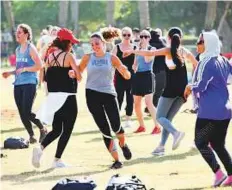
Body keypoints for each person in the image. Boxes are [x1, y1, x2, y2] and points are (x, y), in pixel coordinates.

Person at [125, 27, 197, 155]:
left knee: (159, 117)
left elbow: (150, 53)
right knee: (167, 119)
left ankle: (176, 133)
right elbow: (196, 64)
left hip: (171, 89)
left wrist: (134, 51)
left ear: (168, 38)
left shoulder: (168, 50)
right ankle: (161, 147)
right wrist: (192, 84)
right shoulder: (184, 51)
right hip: (183, 91)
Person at [77, 32, 132, 169]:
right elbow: (79, 73)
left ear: (103, 43)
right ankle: (117, 160)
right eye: (92, 44)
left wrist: (125, 71)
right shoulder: (87, 58)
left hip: (109, 94)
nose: (94, 46)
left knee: (116, 126)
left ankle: (123, 144)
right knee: (104, 129)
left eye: (97, 43)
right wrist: (73, 73)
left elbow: (127, 76)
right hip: (92, 95)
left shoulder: (111, 58)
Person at [184, 31, 232, 187]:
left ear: (208, 44)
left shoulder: (206, 62)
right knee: (218, 145)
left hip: (210, 113)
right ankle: (231, 175)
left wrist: (189, 86)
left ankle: (218, 174)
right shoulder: (223, 60)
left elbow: (200, 86)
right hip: (225, 112)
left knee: (200, 142)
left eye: (200, 41)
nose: (197, 44)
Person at [32, 28, 81, 168]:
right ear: (66, 42)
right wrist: (73, 73)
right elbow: (79, 77)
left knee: (57, 129)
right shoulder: (69, 56)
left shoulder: (50, 57)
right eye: (71, 42)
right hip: (68, 97)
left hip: (54, 98)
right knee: (67, 129)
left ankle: (40, 148)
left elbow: (46, 76)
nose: (72, 45)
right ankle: (57, 160)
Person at [2, 24, 47, 144]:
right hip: (18, 84)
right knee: (22, 112)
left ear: (26, 35)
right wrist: (10, 73)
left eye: (20, 32)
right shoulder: (17, 50)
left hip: (30, 83)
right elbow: (19, 69)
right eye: (17, 32)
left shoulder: (30, 48)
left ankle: (42, 129)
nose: (17, 34)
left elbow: (39, 66)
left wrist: (26, 69)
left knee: (27, 111)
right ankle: (31, 135)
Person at [130, 29, 161, 134]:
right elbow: (134, 64)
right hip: (138, 76)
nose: (143, 38)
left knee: (149, 103)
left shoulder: (152, 49)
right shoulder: (137, 50)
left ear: (149, 38)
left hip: (148, 76)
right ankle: (141, 126)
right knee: (137, 104)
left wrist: (140, 50)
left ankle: (157, 126)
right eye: (141, 36)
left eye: (146, 36)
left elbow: (148, 60)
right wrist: (134, 67)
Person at [112, 27, 135, 128]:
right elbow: (112, 61)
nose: (126, 37)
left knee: (130, 98)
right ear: (121, 36)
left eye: (128, 35)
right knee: (119, 97)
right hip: (119, 75)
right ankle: (116, 119)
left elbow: (136, 62)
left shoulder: (134, 47)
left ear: (131, 36)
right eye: (124, 35)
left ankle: (128, 119)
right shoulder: (116, 47)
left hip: (131, 76)